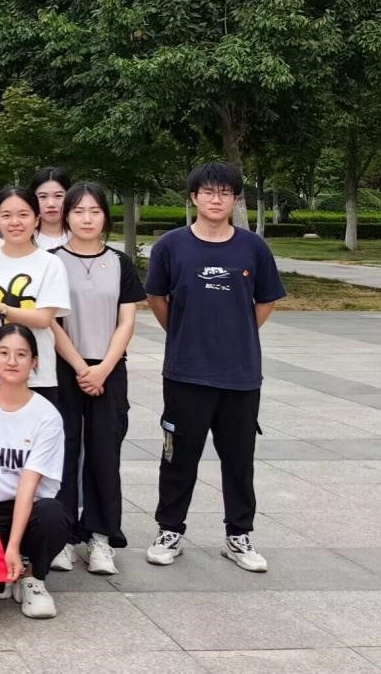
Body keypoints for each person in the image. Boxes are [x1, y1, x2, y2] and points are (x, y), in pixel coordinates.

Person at [144, 161, 285, 573]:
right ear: (194, 197)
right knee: (178, 457)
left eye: (225, 192)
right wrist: (185, 332)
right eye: (208, 191)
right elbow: (157, 298)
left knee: (239, 459)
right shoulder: (171, 246)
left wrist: (236, 332)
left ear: (235, 199)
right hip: (186, 372)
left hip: (240, 375)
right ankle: (169, 530)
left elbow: (265, 301)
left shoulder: (253, 247)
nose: (216, 199)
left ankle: (238, 535)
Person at [47, 182, 145, 576]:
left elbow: (127, 320)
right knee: (63, 451)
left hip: (109, 368)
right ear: (66, 215)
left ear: (106, 216)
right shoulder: (51, 261)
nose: (86, 219)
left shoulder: (120, 262)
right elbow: (50, 321)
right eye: (78, 211)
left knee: (105, 451)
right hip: (63, 367)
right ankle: (62, 536)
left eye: (95, 211)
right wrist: (79, 366)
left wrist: (103, 367)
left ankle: (101, 537)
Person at [0, 323, 72, 620]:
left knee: (54, 515)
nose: (12, 361)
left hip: (31, 509)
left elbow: (28, 485)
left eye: (21, 354)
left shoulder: (46, 416)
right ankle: (1, 568)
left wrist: (13, 546)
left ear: (35, 362)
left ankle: (33, 576)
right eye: (4, 353)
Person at [0, 186, 71, 405]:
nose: (15, 222)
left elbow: (43, 319)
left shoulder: (51, 264)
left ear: (37, 219)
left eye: (23, 214)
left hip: (36, 375)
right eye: (6, 215)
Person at [30, 167, 72, 251]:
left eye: (58, 196)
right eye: (43, 196)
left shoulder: (81, 237)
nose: (51, 204)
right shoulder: (23, 239)